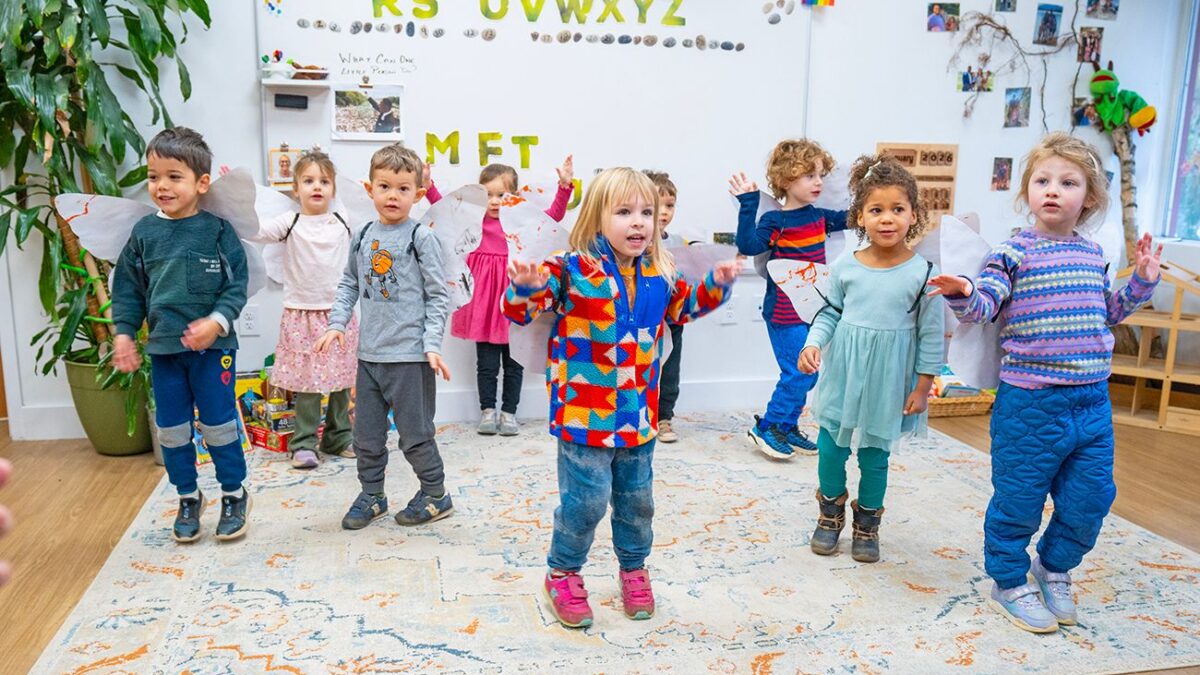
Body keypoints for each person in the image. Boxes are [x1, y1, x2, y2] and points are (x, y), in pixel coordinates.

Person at [928, 132, 1162, 633]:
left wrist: (1141, 280)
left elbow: (1108, 312)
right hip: (1030, 403)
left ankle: (1053, 569)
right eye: (1042, 180)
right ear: (1028, 192)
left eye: (1068, 182)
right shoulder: (1013, 252)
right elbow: (986, 307)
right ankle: (1009, 580)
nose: (1052, 190)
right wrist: (964, 290)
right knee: (1018, 500)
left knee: (1092, 498)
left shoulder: (1093, 252)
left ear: (1090, 197)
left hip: (1092, 402)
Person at [503, 167, 738, 628]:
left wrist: (716, 286)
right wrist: (526, 287)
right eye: (625, 212)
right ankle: (562, 572)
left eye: (647, 212)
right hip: (583, 415)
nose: (639, 222)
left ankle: (634, 568)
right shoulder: (569, 268)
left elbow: (684, 307)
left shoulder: (660, 271)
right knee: (585, 502)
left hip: (638, 415)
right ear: (595, 216)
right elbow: (519, 311)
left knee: (637, 502)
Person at [799, 154, 943, 563]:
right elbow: (829, 312)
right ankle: (830, 515)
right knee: (830, 447)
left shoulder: (925, 274)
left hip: (889, 380)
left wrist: (922, 387)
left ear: (913, 214)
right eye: (876, 210)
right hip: (845, 371)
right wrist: (812, 344)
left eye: (897, 209)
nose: (887, 219)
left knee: (875, 456)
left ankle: (867, 524)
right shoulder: (846, 266)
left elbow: (931, 336)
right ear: (860, 216)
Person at [112, 127, 251, 543]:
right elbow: (127, 290)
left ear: (201, 183)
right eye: (154, 176)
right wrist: (123, 334)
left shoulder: (217, 231)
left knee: (219, 425)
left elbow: (236, 284)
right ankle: (188, 496)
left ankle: (233, 493)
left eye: (174, 176)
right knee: (171, 430)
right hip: (164, 351)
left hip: (214, 350)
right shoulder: (143, 235)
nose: (161, 186)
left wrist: (217, 321)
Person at [315, 144, 454, 530]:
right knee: (367, 436)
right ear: (369, 188)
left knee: (415, 435)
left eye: (403, 188)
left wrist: (431, 345)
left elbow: (437, 295)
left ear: (419, 193)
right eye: (385, 186)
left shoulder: (421, 238)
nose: (393, 195)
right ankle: (372, 494)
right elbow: (348, 285)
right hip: (369, 357)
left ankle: (435, 493)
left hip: (410, 359)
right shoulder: (361, 235)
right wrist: (336, 324)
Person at [425, 157, 575, 436]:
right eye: (489, 195)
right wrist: (428, 184)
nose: (494, 201)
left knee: (515, 361)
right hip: (483, 300)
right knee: (487, 362)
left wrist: (564, 186)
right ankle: (487, 410)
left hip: (513, 298)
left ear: (515, 197)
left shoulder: (520, 223)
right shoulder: (473, 220)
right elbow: (446, 211)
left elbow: (552, 216)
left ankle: (509, 412)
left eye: (502, 195)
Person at [731, 139, 848, 459]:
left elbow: (855, 218)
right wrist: (748, 202)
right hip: (783, 312)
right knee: (799, 372)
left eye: (821, 175)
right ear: (785, 180)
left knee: (810, 373)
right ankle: (767, 426)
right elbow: (749, 244)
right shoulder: (776, 222)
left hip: (813, 311)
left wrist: (878, 203)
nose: (819, 182)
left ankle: (786, 425)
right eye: (809, 175)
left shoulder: (821, 218)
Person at [252, 151, 357, 469]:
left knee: (341, 380)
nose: (317, 187)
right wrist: (233, 203)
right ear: (295, 188)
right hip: (301, 313)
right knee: (308, 382)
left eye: (324, 181)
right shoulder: (291, 221)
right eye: (309, 181)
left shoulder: (343, 221)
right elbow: (257, 231)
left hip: (339, 313)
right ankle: (303, 443)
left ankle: (339, 437)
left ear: (333, 188)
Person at [644, 170, 687, 443]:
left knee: (670, 368)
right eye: (658, 206)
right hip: (644, 318)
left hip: (672, 318)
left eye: (669, 206)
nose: (664, 212)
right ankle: (643, 414)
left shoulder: (679, 243)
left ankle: (664, 416)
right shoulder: (635, 241)